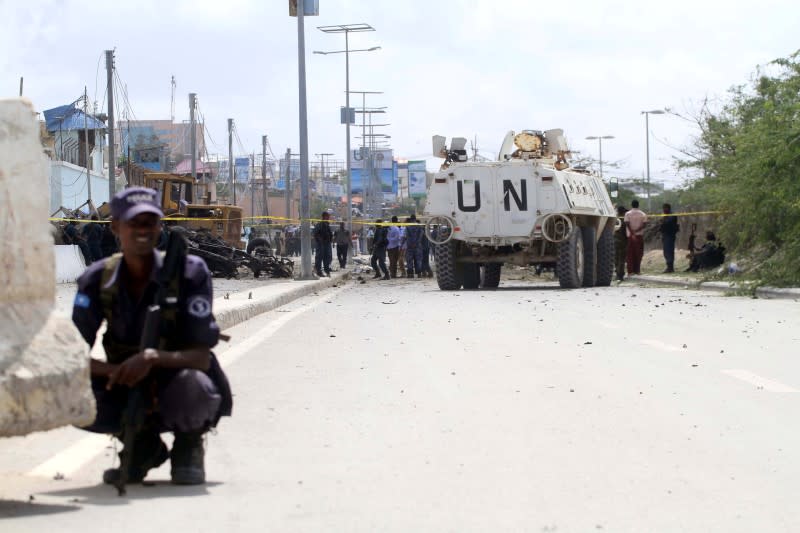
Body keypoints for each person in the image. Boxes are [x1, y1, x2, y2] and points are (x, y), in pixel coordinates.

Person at [71, 187, 231, 486]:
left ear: (160, 227)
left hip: (176, 375)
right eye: (134, 223)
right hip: (123, 378)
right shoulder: (96, 279)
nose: (142, 231)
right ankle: (142, 445)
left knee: (192, 384)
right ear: (116, 226)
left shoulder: (189, 273)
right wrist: (114, 370)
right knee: (67, 389)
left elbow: (199, 356)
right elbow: (71, 354)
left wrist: (151, 358)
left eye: (150, 222)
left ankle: (189, 443)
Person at [624, 199, 647, 275]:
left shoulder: (627, 214)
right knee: (638, 254)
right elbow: (644, 225)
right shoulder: (643, 214)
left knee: (630, 254)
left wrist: (632, 233)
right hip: (639, 236)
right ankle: (637, 270)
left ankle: (630, 271)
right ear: (638, 205)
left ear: (632, 205)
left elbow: (627, 223)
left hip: (630, 236)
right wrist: (636, 231)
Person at [659, 203, 680, 273]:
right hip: (665, 235)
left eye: (665, 208)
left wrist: (663, 219)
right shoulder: (665, 215)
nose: (664, 210)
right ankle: (669, 267)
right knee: (666, 251)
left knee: (669, 251)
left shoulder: (672, 215)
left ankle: (670, 267)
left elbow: (667, 222)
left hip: (670, 235)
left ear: (668, 208)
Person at [313, 211, 333, 276]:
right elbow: (315, 234)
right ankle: (318, 271)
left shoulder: (327, 224)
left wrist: (331, 239)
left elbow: (329, 234)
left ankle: (327, 271)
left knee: (327, 257)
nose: (329, 218)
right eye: (328, 216)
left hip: (327, 243)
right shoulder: (320, 224)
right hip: (321, 244)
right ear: (324, 216)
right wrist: (320, 240)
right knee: (319, 257)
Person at [614, 204, 628, 281]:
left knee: (616, 258)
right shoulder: (624, 220)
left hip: (615, 240)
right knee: (622, 259)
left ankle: (617, 273)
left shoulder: (615, 219)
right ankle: (620, 274)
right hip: (623, 241)